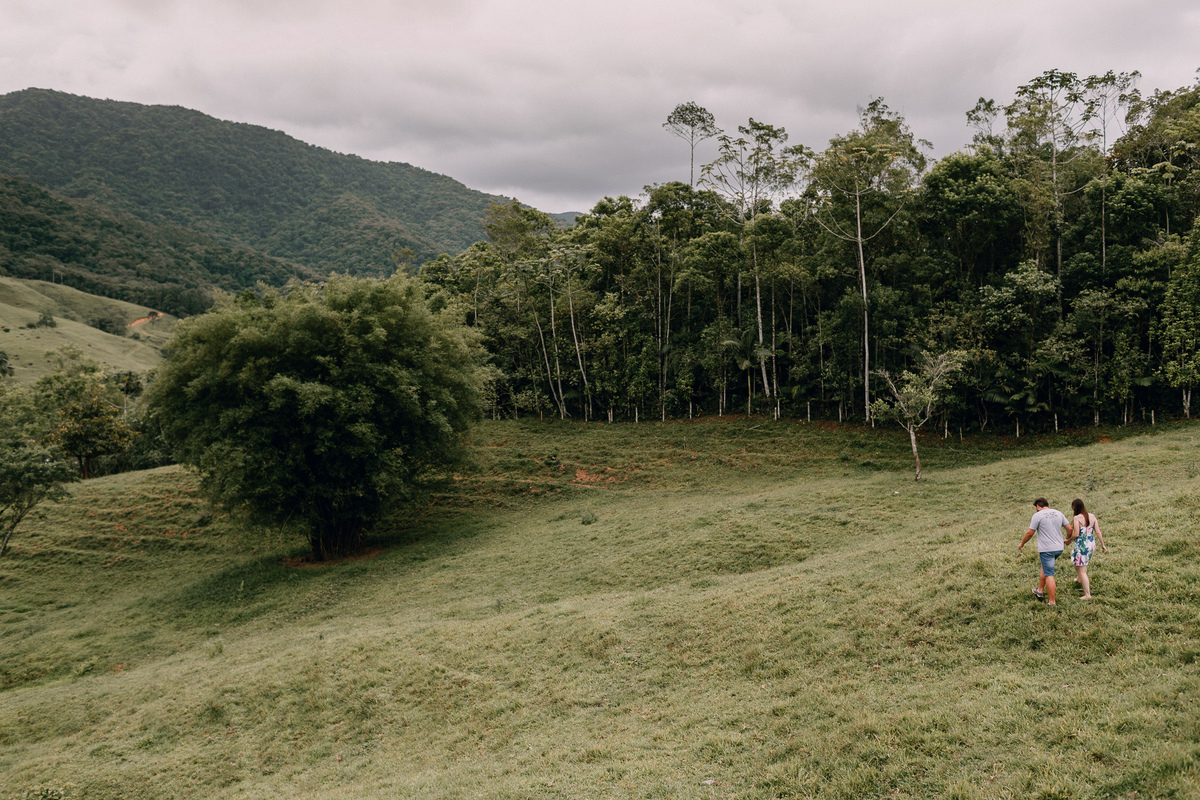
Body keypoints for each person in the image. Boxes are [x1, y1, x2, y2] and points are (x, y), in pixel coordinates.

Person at [1018, 498, 1070, 606]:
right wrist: (1068, 539)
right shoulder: (1058, 513)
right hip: (1059, 548)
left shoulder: (1037, 515)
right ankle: (1040, 591)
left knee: (1049, 575)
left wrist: (1022, 543)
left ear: (1038, 506)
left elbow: (1029, 533)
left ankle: (1052, 602)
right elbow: (1069, 528)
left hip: (1047, 549)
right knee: (1045, 567)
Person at [1065, 498, 1107, 599]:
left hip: (1082, 545)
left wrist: (1068, 540)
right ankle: (1079, 578)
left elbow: (1076, 534)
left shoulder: (1077, 518)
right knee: (1073, 554)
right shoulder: (1092, 516)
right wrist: (1103, 545)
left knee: (1082, 569)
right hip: (1091, 544)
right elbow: (1098, 532)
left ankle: (1088, 594)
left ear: (1074, 507)